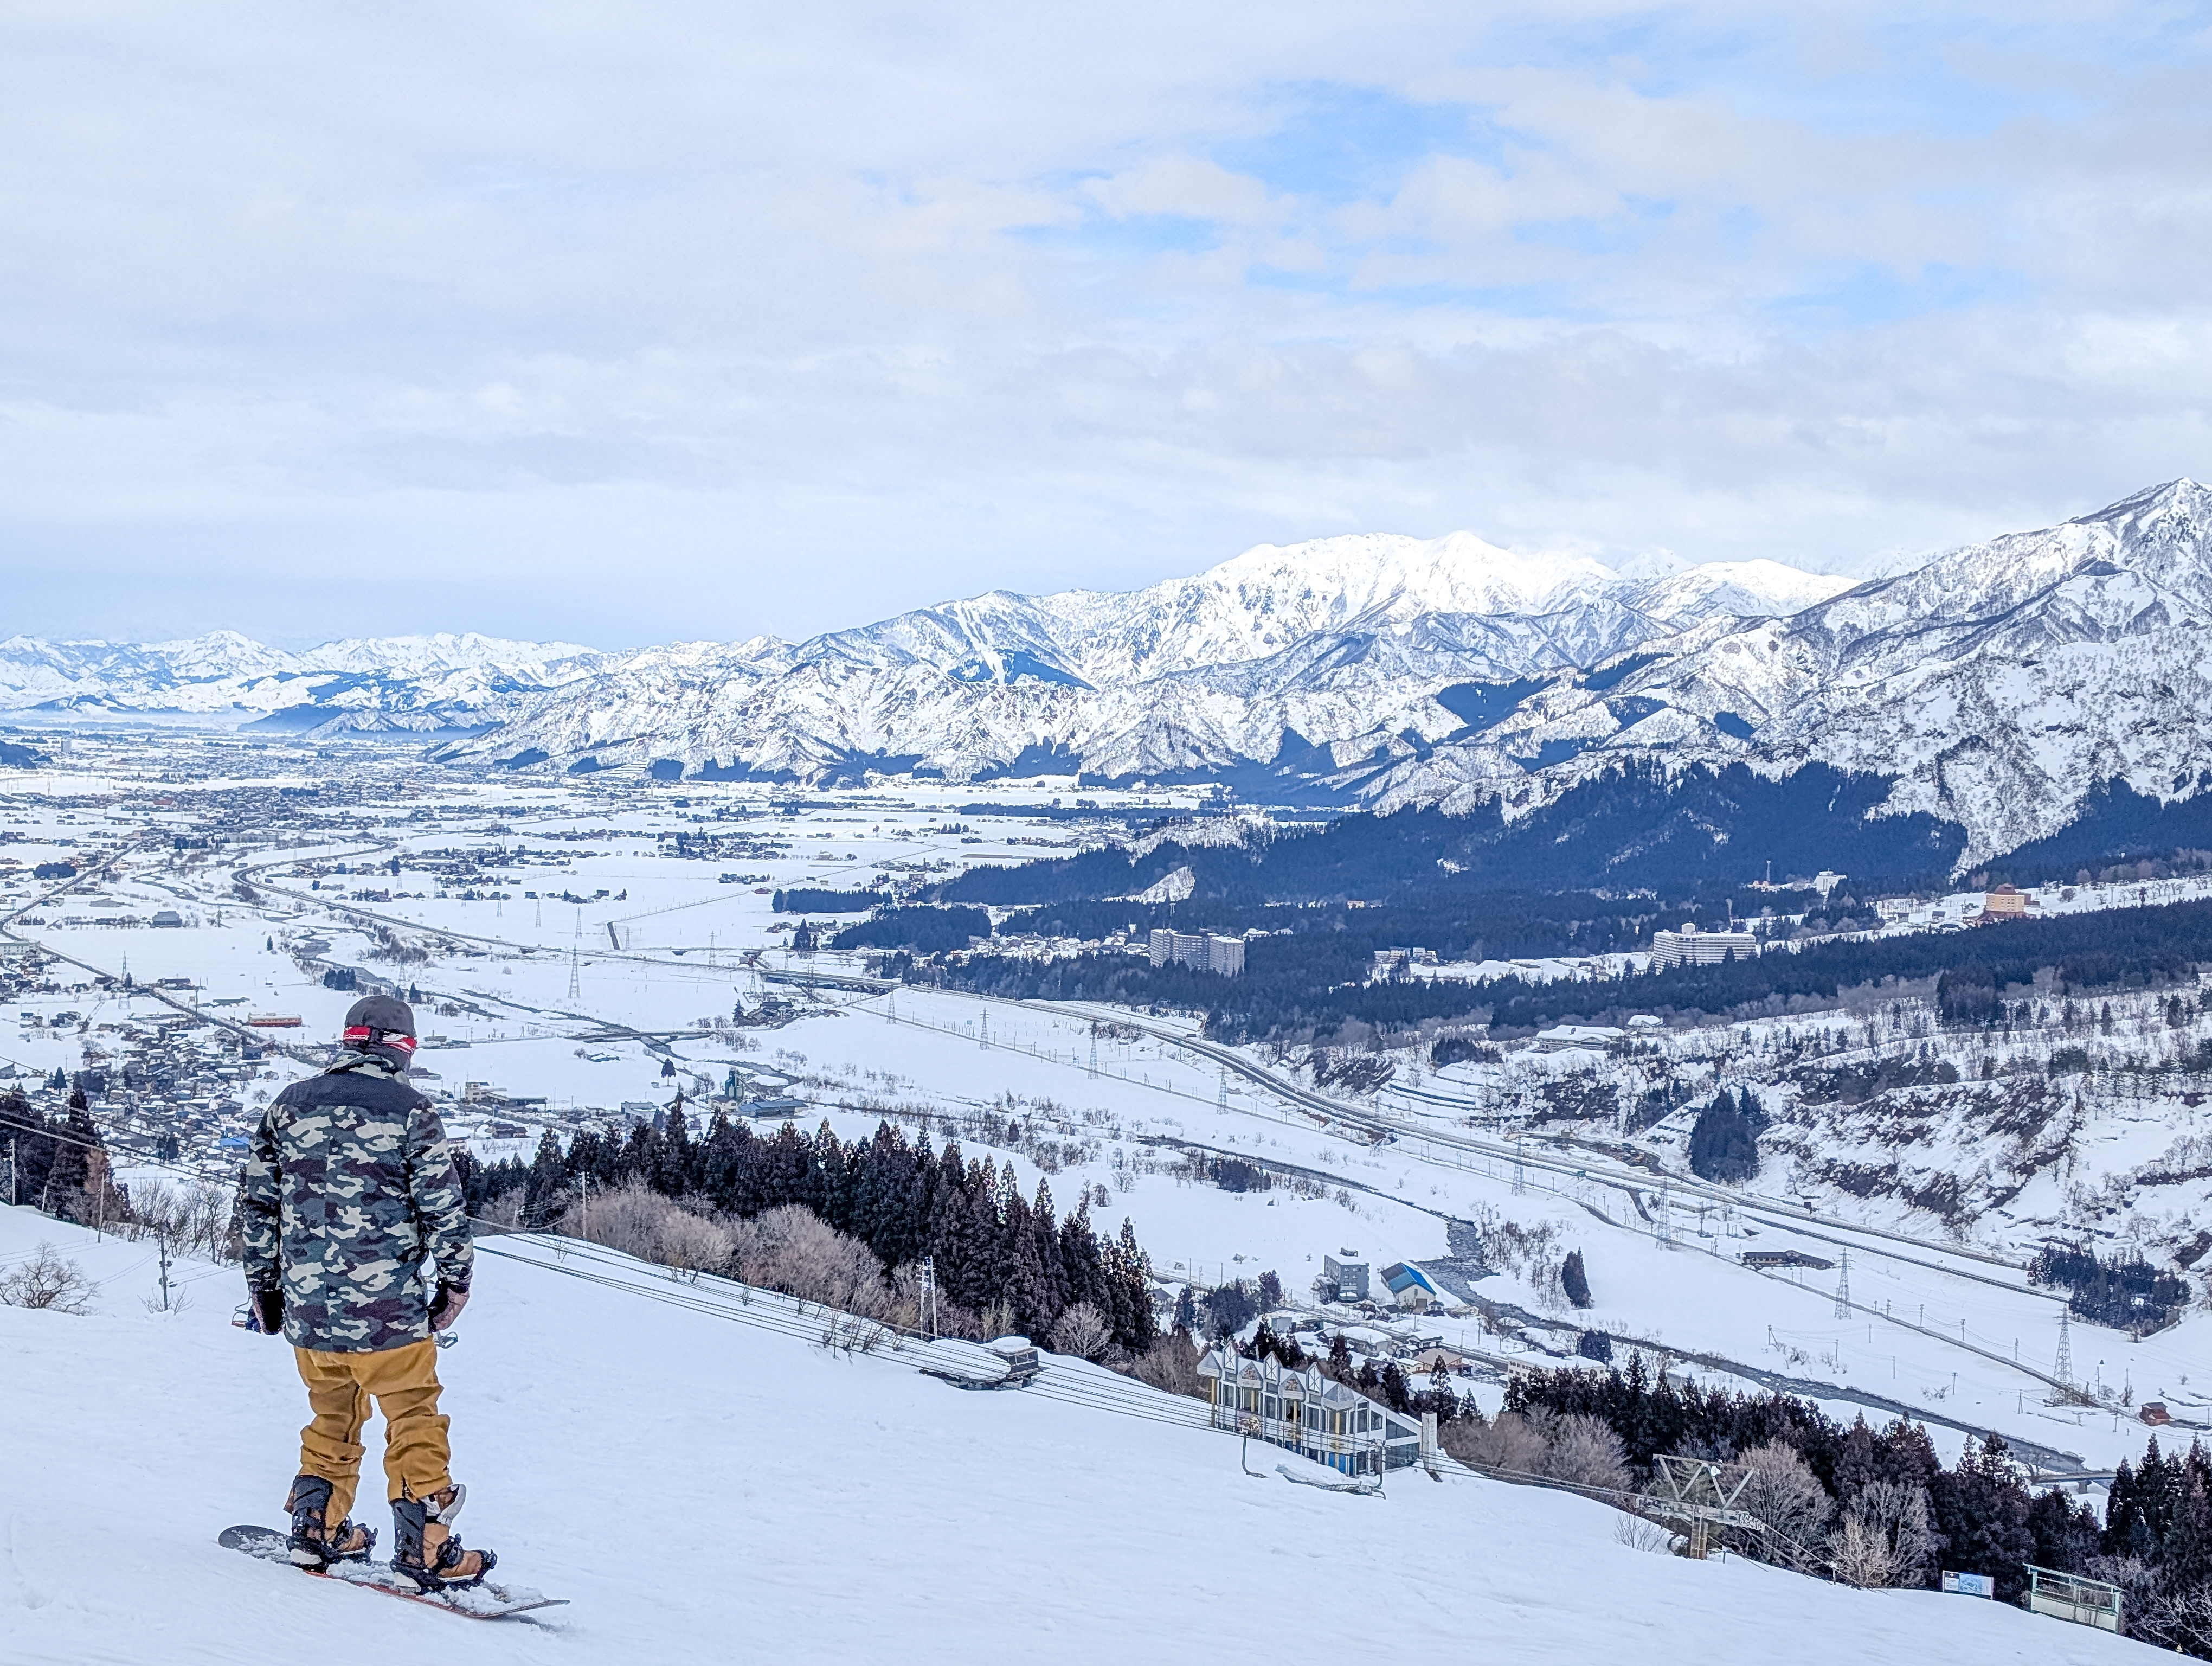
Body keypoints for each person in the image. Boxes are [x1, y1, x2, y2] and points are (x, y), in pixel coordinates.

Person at [238, 994, 495, 1589]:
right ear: (401, 1048)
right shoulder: (410, 1110)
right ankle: (426, 1547)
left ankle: (316, 1528)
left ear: (350, 1041)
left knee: (331, 1415)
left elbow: (257, 1208)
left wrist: (264, 1288)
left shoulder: (288, 1106)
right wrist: (456, 1283)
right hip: (388, 1317)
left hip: (309, 1313)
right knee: (414, 1417)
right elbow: (444, 1211)